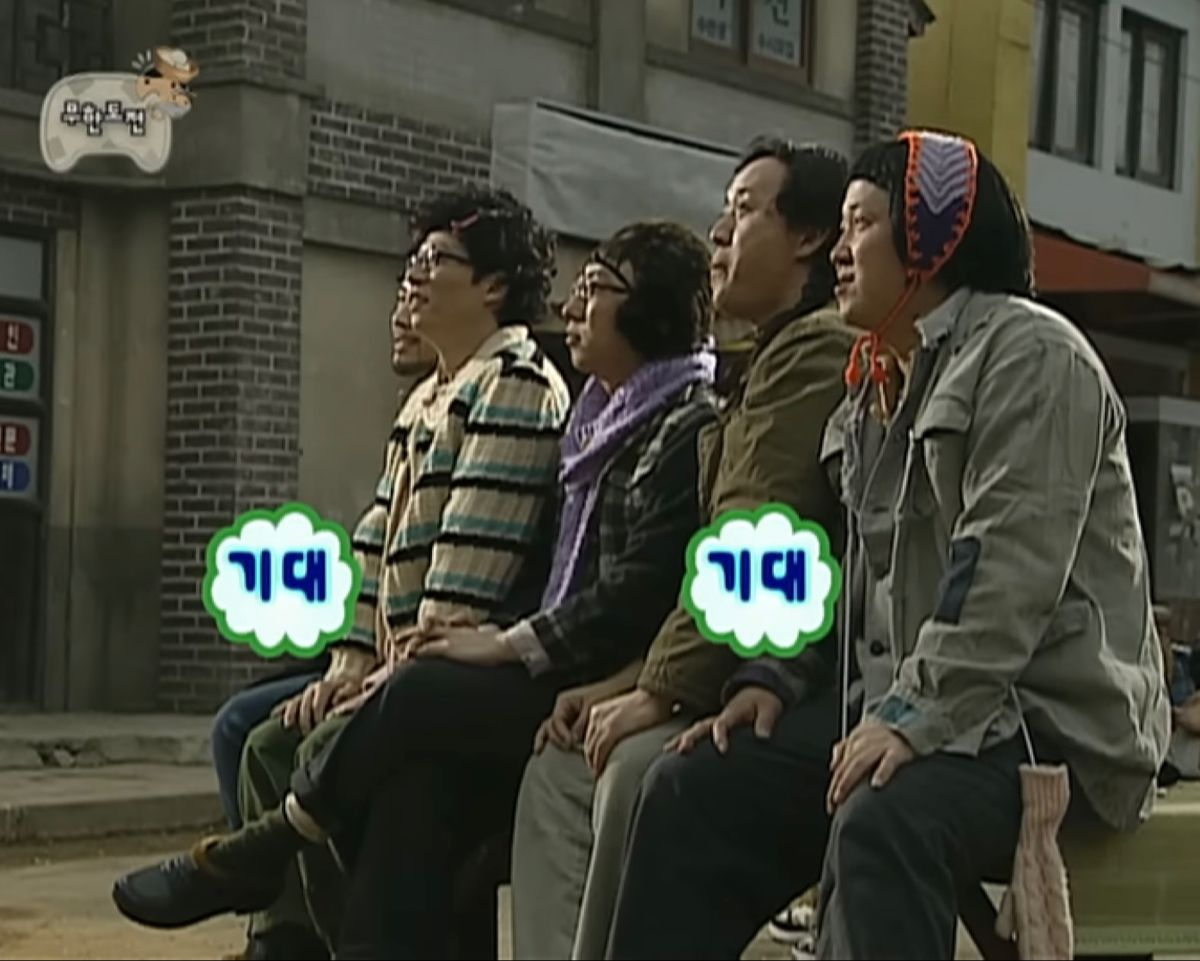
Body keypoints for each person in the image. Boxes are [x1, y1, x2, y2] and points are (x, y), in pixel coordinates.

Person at [604, 130, 1171, 961]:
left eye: (862, 224)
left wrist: (909, 719)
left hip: (1042, 725)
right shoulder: (874, 383)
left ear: (934, 235)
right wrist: (775, 676)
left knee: (885, 812)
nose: (840, 251)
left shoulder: (1033, 356)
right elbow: (849, 573)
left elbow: (1003, 575)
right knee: (694, 785)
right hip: (913, 707)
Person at [111, 219, 722, 958]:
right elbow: (389, 546)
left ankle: (269, 848)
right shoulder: (593, 421)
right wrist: (355, 657)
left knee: (402, 702)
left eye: (595, 288)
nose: (572, 305)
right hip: (533, 659)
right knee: (385, 772)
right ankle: (292, 928)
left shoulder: (659, 419)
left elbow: (623, 589)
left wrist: (486, 646)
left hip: (578, 673)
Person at [144, 185, 572, 961]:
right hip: (396, 659)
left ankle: (319, 936)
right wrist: (349, 659)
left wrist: (390, 674)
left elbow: (469, 566)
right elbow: (374, 543)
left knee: (289, 747)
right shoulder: (429, 395)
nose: (414, 275)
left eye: (437, 259)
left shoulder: (514, 383)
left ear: (493, 285)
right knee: (257, 731)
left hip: (455, 670)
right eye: (414, 258)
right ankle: (289, 938)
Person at [509, 138, 858, 961]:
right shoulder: (765, 363)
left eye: (744, 210)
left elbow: (754, 535)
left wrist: (658, 691)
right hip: (749, 666)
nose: (720, 234)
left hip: (805, 681)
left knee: (629, 769)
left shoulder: (813, 352)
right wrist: (633, 682)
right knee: (563, 762)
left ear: (809, 237)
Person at [208, 290, 436, 840]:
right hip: (369, 641)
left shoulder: (495, 396)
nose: (400, 319)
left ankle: (277, 878)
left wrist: (371, 667)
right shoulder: (416, 406)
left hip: (417, 655)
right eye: (399, 299)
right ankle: (266, 886)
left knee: (262, 734)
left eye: (416, 300)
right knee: (241, 723)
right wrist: (346, 660)